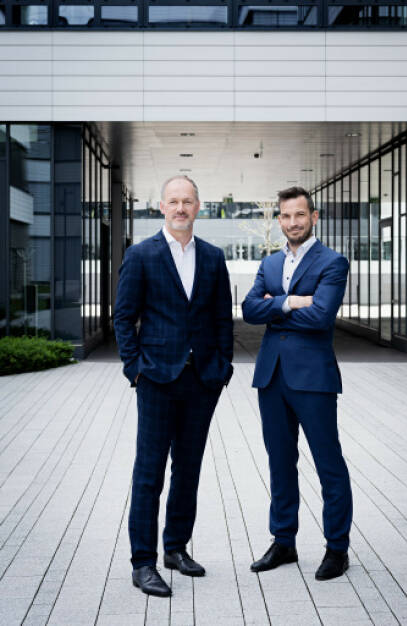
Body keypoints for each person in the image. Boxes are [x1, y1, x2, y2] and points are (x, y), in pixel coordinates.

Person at [114, 175, 233, 597]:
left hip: (202, 381)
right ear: (161, 207)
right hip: (156, 380)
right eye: (173, 201)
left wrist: (222, 367)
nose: (180, 208)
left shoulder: (214, 258)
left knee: (188, 471)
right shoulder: (141, 255)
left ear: (199, 206)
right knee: (149, 474)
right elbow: (123, 318)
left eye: (187, 201)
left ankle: (175, 549)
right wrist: (135, 369)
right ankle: (142, 563)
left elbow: (222, 318)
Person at [242, 186, 352, 581]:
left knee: (328, 465)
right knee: (279, 462)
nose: (292, 223)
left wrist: (276, 305)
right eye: (286, 217)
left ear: (314, 217)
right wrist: (291, 302)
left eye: (299, 216)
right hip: (272, 377)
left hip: (314, 379)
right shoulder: (270, 263)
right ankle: (283, 541)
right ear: (280, 220)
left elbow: (322, 317)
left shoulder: (332, 262)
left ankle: (337, 549)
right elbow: (249, 309)